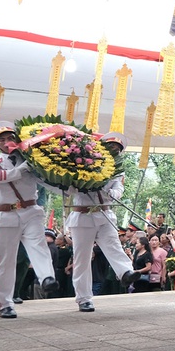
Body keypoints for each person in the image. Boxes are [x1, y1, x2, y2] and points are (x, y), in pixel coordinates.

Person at [0, 121, 59, 318]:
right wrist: (18, 171)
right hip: (6, 215)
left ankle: (47, 278)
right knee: (5, 261)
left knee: (39, 245)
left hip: (31, 211)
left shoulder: (32, 160)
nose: (7, 143)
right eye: (2, 140)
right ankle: (5, 303)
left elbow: (49, 182)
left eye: (10, 138)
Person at [63, 131, 141, 311]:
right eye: (111, 147)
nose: (114, 151)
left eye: (117, 149)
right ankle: (83, 298)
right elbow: (70, 190)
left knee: (114, 245)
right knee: (82, 258)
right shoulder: (83, 163)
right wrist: (84, 182)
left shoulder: (117, 172)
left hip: (105, 215)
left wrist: (111, 193)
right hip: (83, 217)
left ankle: (125, 272)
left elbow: (118, 190)